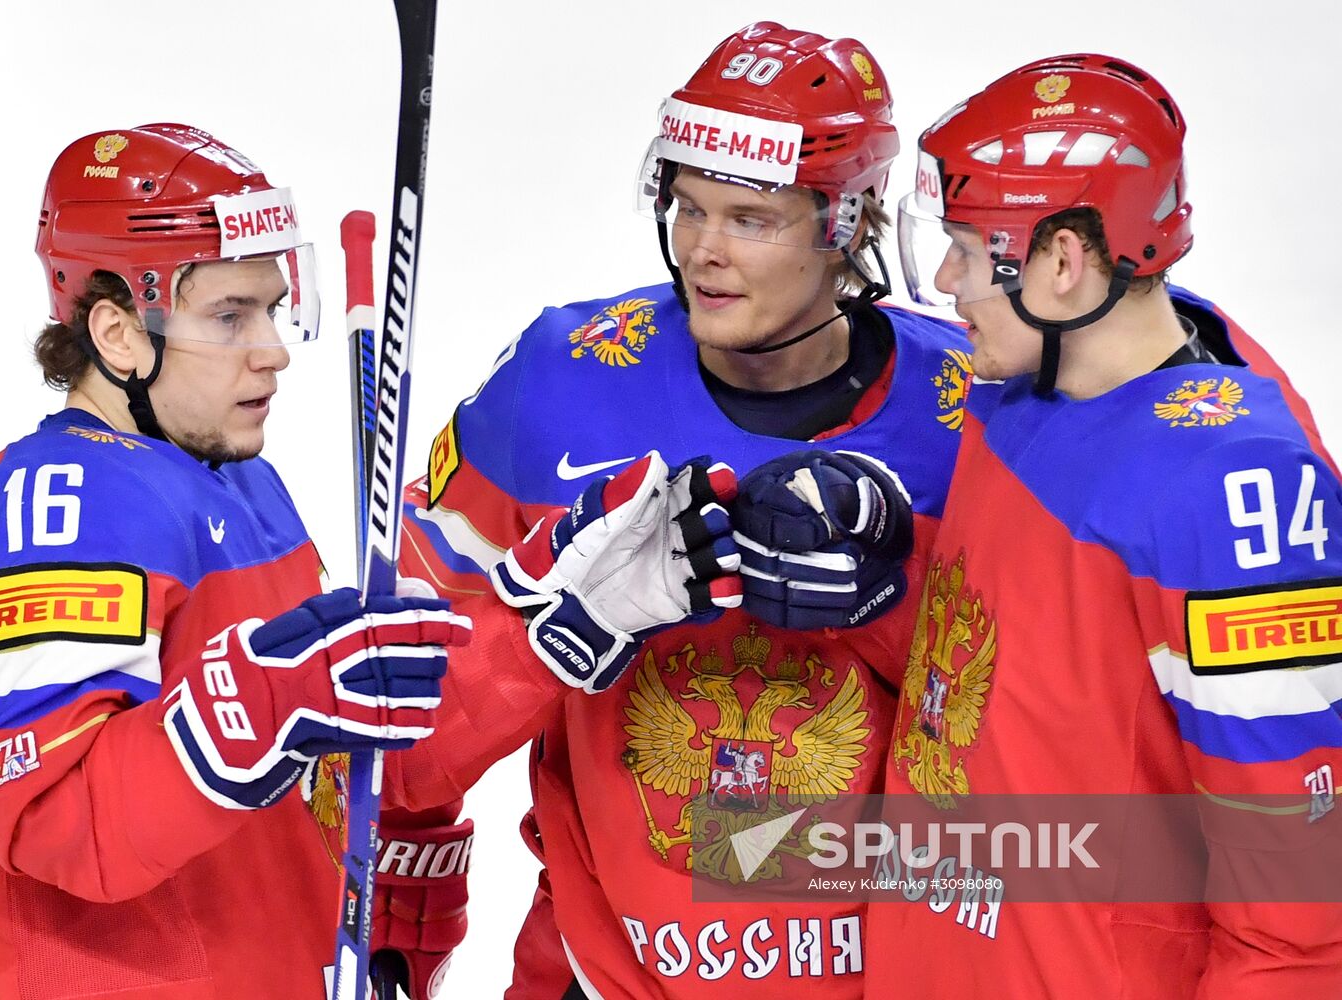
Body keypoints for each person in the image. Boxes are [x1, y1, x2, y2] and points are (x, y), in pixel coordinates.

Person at [385, 22, 973, 998]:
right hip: (597, 963)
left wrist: (900, 590)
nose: (703, 250)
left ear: (846, 221)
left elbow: (1048, 710)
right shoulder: (560, 380)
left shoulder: (966, 401)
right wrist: (399, 909)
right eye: (687, 207)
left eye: (750, 219)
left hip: (888, 965)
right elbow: (404, 673)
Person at [848, 54, 1342, 995]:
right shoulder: (1026, 388)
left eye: (967, 246)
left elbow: (1302, 906)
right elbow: (1017, 677)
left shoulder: (1238, 488)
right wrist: (877, 581)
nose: (946, 280)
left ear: (1065, 262)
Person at [0, 123, 472, 999]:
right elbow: (49, 817)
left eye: (275, 308)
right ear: (120, 334)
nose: (274, 348)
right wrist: (264, 704)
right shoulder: (57, 503)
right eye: (230, 315)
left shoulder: (244, 481)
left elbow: (304, 768)